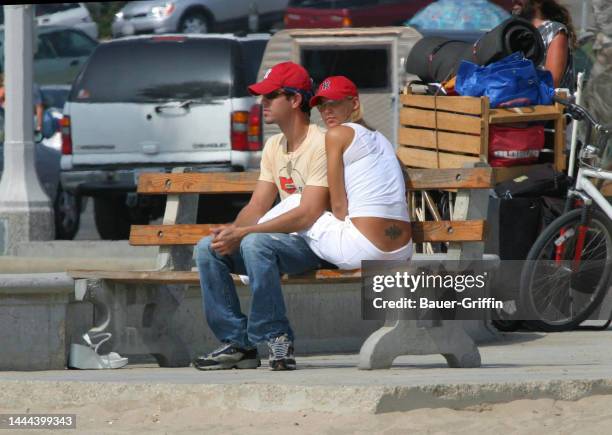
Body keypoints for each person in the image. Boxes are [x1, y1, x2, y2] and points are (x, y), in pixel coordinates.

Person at [193, 62, 329, 372]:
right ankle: (239, 344)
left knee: (256, 244)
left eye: (271, 96)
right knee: (207, 248)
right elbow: (257, 206)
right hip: (277, 242)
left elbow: (308, 214)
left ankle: (277, 335)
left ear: (295, 100)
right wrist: (231, 233)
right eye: (262, 97)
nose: (262, 103)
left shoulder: (321, 143)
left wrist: (245, 234)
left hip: (316, 244)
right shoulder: (273, 145)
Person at [259, 76, 413, 269]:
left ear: (354, 103)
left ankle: (243, 251)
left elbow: (339, 208)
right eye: (321, 106)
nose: (326, 111)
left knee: (295, 202)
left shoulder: (336, 134)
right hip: (402, 251)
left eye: (334, 103)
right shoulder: (381, 138)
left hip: (365, 250)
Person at [511, 0, 576, 90]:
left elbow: (551, 83)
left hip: (547, 103)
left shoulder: (554, 31)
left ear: (538, 2)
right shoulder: (513, 33)